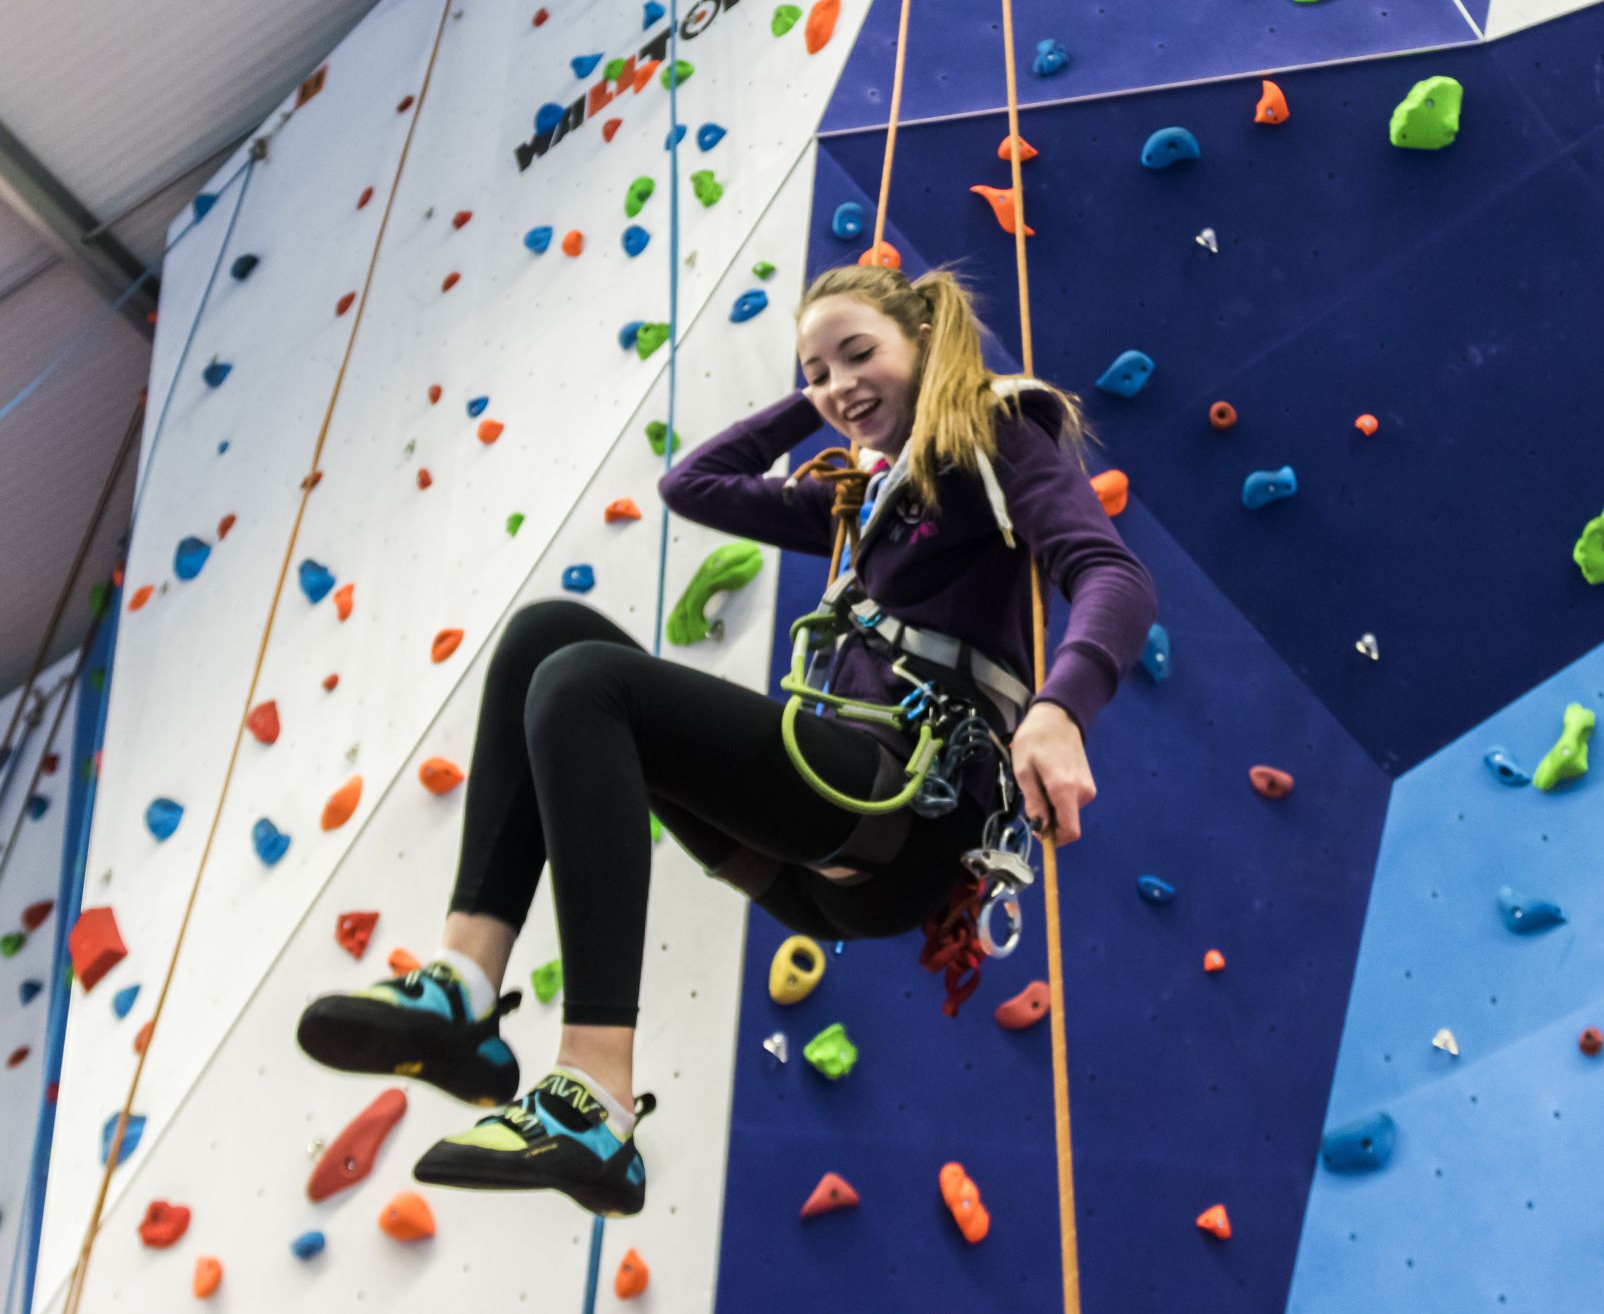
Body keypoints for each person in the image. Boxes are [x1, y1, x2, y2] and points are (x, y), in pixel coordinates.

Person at [293, 260, 1156, 1218]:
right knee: (546, 635)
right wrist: (821, 401)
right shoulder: (863, 499)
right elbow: (692, 484)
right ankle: (462, 990)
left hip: (906, 814)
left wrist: (1060, 706)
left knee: (585, 684)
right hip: (817, 848)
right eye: (816, 370)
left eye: (858, 353)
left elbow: (1111, 572)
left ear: (926, 341)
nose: (837, 384)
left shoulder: (991, 434)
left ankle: (594, 1099)